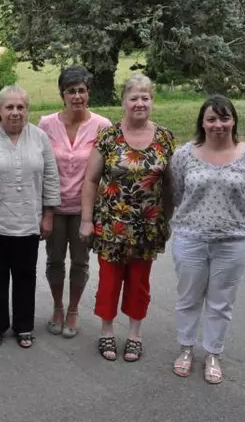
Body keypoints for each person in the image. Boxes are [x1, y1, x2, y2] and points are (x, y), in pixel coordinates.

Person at [169, 95, 245, 384]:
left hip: (233, 242)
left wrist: (234, 219)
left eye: (224, 118)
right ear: (202, 122)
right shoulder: (184, 155)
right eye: (211, 119)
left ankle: (213, 353)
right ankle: (186, 349)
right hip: (190, 239)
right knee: (188, 299)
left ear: (233, 120)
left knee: (221, 303)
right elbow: (176, 194)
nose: (218, 125)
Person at [79, 74, 175, 363]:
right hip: (111, 225)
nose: (139, 103)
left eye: (145, 97)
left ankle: (135, 334)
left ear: (152, 102)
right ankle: (106, 330)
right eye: (133, 97)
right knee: (109, 281)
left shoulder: (165, 138)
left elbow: (170, 185)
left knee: (139, 282)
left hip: (148, 226)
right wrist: (86, 220)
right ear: (123, 102)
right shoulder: (108, 136)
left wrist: (168, 219)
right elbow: (91, 180)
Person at [0, 85, 61, 349]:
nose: (15, 112)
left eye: (21, 107)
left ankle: (24, 327)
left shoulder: (40, 137)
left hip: (28, 222)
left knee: (25, 276)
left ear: (27, 109)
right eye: (9, 107)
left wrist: (48, 215)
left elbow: (51, 178)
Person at [38, 66, 111, 339]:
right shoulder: (46, 124)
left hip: (85, 210)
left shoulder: (102, 126)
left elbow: (105, 171)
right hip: (55, 208)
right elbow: (42, 169)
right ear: (62, 94)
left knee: (80, 263)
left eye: (82, 90)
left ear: (89, 93)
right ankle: (57, 307)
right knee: (54, 260)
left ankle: (73, 309)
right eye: (71, 91)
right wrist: (44, 212)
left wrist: (92, 218)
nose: (77, 96)